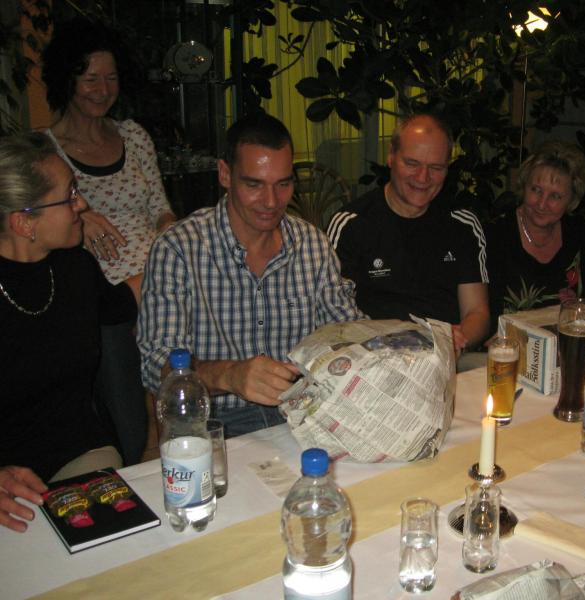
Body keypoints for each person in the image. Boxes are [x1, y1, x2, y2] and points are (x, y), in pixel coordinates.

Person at [137, 112, 363, 436]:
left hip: (301, 413)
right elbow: (156, 367)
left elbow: (346, 330)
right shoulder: (178, 249)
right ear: (225, 174)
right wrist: (229, 375)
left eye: (283, 184)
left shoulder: (311, 243)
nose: (271, 202)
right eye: (254, 184)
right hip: (217, 422)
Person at [41, 17, 175, 464]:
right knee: (128, 334)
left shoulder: (133, 135)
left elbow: (160, 207)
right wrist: (80, 215)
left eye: (111, 78)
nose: (103, 89)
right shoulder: (45, 150)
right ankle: (140, 446)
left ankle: (167, 441)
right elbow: (35, 231)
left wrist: (173, 239)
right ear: (67, 80)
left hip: (155, 274)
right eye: (91, 78)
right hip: (102, 291)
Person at [0, 132, 140, 532]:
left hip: (78, 452)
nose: (82, 205)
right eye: (70, 196)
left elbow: (119, 304)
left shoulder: (74, 267)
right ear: (24, 222)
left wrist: (175, 259)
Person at [327, 113, 489, 355]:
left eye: (435, 167)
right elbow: (334, 320)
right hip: (376, 357)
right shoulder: (351, 224)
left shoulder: (463, 225)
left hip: (448, 356)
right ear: (391, 156)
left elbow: (477, 312)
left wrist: (456, 340)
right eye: (412, 163)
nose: (423, 178)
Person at [486, 140, 585, 327]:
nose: (541, 204)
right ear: (524, 186)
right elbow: (487, 317)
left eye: (555, 196)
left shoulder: (582, 232)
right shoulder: (495, 235)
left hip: (569, 338)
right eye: (536, 190)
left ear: (572, 200)